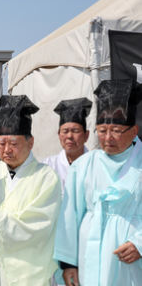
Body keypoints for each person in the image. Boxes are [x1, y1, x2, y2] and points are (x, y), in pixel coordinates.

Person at [54, 79, 142, 286]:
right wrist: (68, 264)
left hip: (130, 257)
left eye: (116, 131)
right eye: (102, 131)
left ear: (133, 131)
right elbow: (70, 216)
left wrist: (140, 244)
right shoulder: (83, 165)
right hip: (89, 253)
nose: (108, 138)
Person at [0, 95, 61, 285]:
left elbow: (38, 225)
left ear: (30, 142)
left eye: (14, 144)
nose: (7, 150)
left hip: (31, 272)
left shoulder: (46, 177)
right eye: (1, 144)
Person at [43, 98, 92, 194]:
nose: (69, 136)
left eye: (75, 131)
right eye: (65, 131)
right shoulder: (49, 166)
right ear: (59, 135)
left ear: (86, 135)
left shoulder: (95, 165)